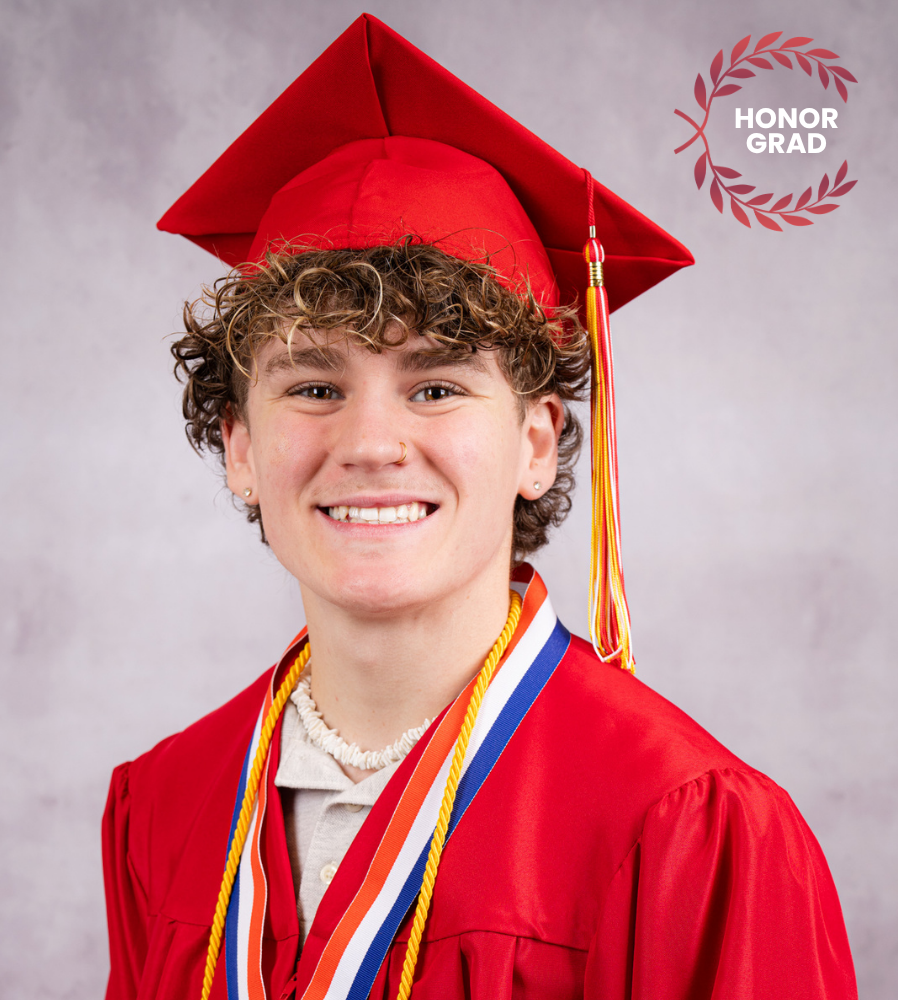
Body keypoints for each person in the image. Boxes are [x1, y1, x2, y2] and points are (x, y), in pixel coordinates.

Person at [102, 14, 858, 1000]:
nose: (371, 443)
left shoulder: (687, 827)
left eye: (436, 386)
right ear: (240, 447)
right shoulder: (164, 806)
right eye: (314, 386)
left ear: (535, 443)